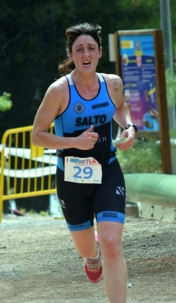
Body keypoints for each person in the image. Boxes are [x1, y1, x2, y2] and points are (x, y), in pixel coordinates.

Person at [32, 23, 136, 303]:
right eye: (79, 49)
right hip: (71, 177)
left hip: (108, 171)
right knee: (87, 247)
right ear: (71, 55)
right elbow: (37, 135)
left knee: (113, 243)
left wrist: (129, 128)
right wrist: (74, 142)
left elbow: (120, 108)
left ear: (100, 53)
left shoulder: (112, 83)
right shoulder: (59, 91)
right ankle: (93, 257)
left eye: (91, 47)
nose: (86, 53)